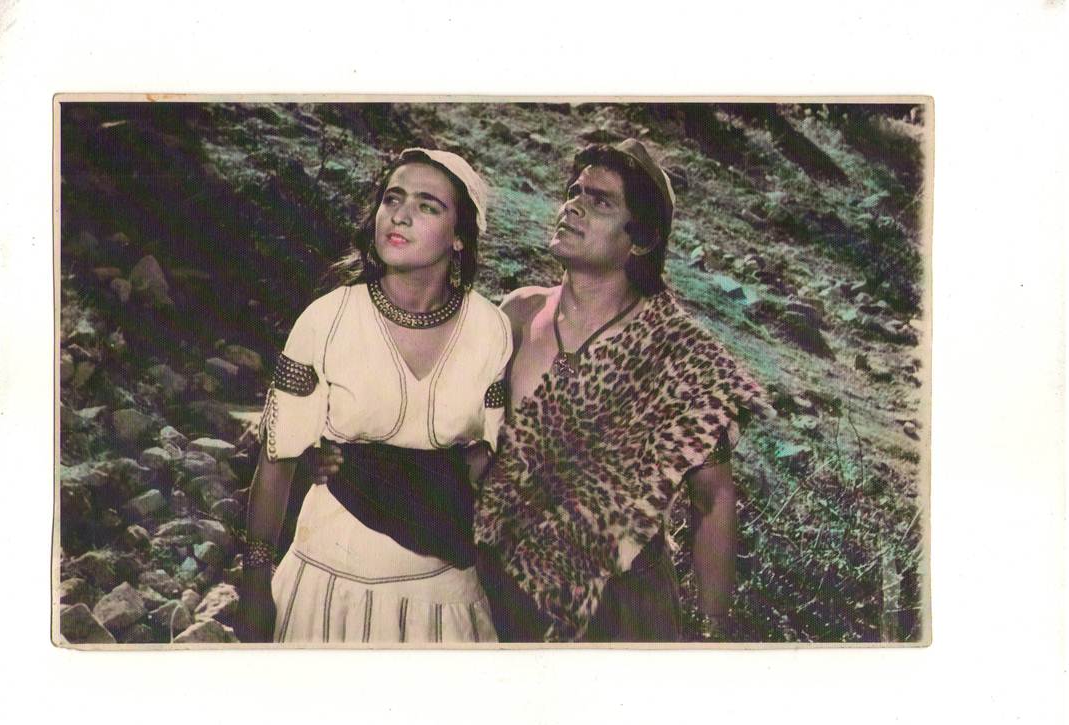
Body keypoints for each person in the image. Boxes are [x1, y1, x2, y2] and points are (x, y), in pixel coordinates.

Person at [472, 139, 772, 642]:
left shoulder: (679, 353)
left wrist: (712, 630)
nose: (573, 206)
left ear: (643, 238)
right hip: (505, 586)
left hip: (619, 605)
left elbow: (713, 499)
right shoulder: (519, 313)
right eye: (574, 192)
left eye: (600, 201)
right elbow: (475, 442)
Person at [234, 148, 512, 644]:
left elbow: (486, 459)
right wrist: (256, 584)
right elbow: (277, 459)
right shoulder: (328, 318)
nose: (400, 215)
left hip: (445, 595)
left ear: (460, 236)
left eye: (427, 206)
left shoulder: (490, 329)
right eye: (393, 199)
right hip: (326, 585)